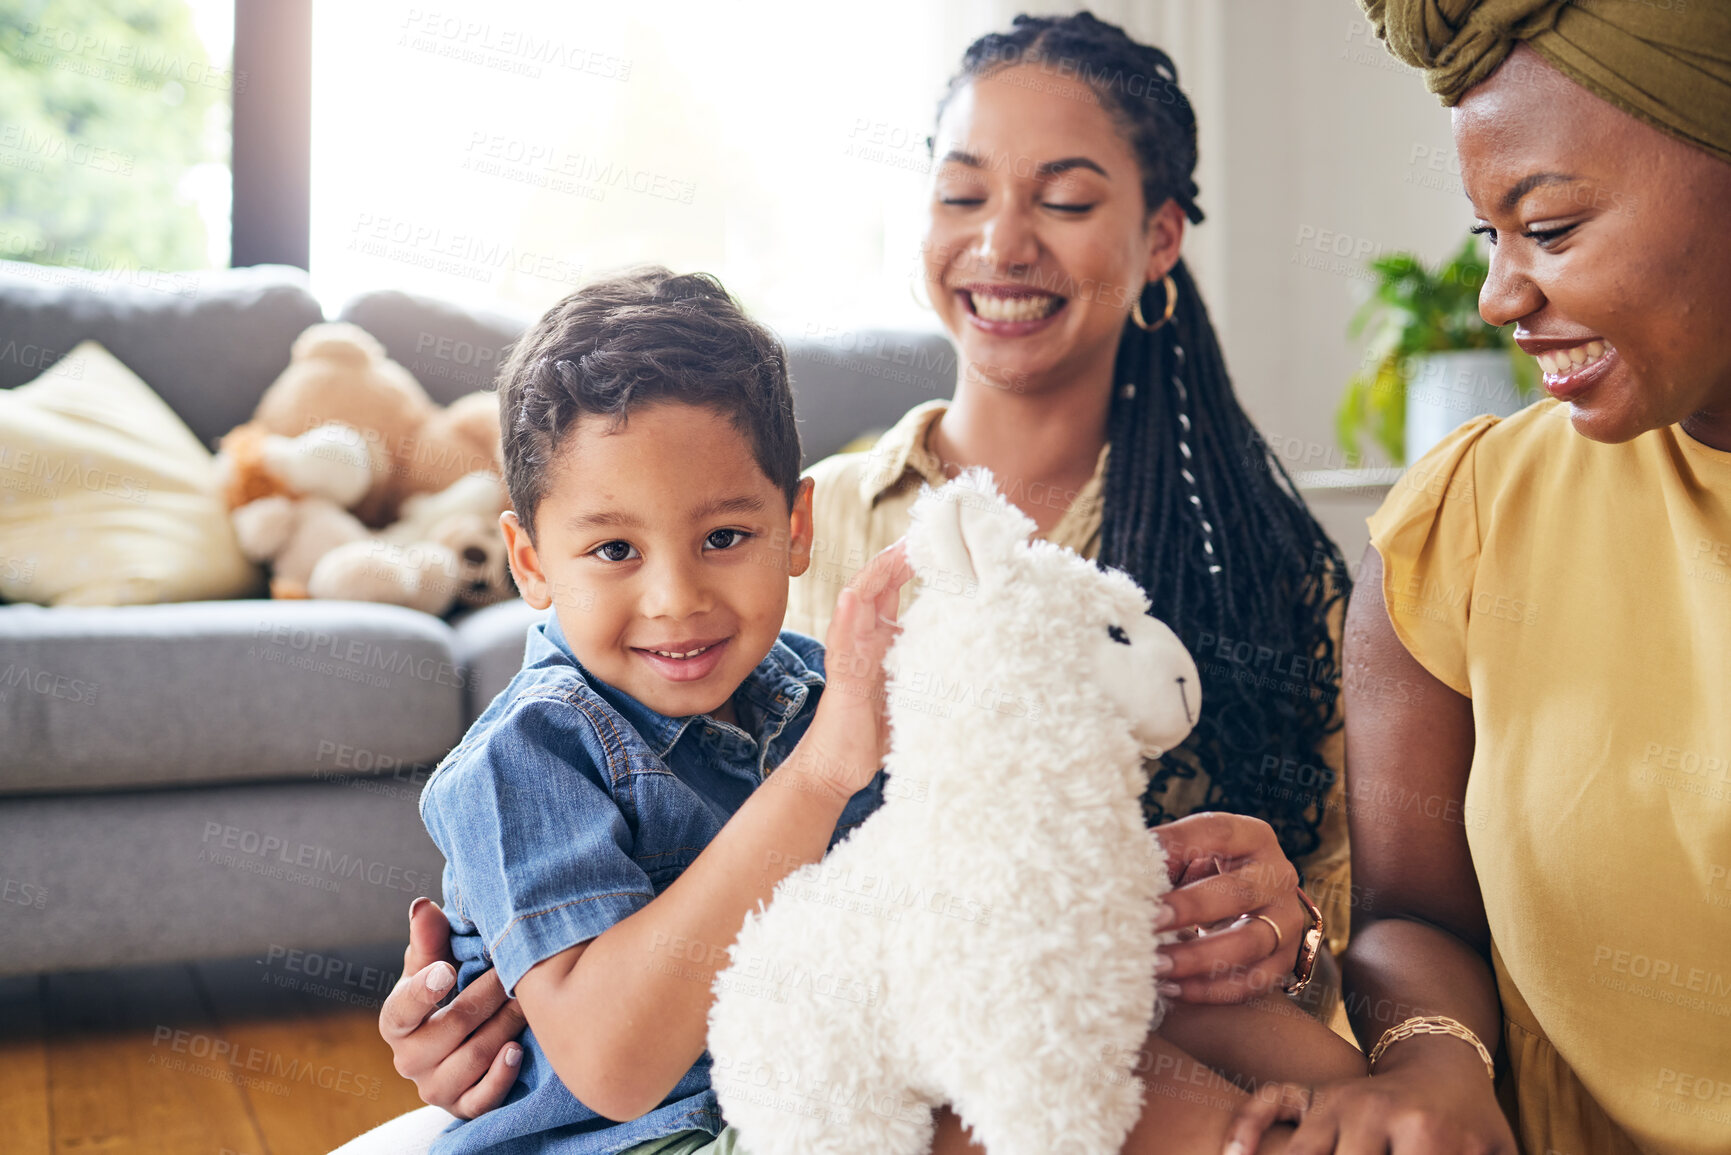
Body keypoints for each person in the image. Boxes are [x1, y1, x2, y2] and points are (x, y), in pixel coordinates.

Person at [378, 9, 1362, 1132]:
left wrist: (1287, 939)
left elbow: (1351, 919)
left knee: (1131, 998)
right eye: (963, 192)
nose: (1002, 242)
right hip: (775, 1095)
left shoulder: (1259, 568)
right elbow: (598, 1012)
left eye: (1068, 199)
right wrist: (459, 999)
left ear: (1161, 240)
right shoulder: (820, 582)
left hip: (950, 1020)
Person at [1220, 4, 1731, 1155]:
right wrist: (1434, 1062)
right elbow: (1417, 915)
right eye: (1487, 238)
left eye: (1548, 227)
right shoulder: (1464, 524)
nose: (1502, 295)